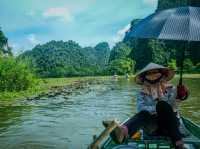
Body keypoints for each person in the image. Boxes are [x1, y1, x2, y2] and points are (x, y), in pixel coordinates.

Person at [105, 63, 189, 149]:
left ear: (162, 74)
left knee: (163, 106)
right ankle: (123, 133)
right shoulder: (142, 93)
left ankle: (179, 144)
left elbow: (174, 106)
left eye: (155, 72)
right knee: (143, 114)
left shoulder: (171, 89)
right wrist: (157, 109)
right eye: (149, 73)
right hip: (153, 128)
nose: (153, 75)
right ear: (144, 77)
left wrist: (181, 96)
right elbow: (140, 108)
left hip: (170, 126)